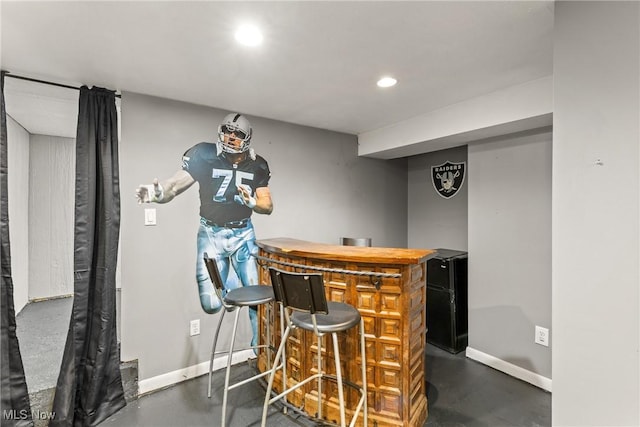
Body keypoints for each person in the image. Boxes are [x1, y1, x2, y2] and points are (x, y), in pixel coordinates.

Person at [136, 113, 273, 347]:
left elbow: (267, 205)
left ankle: (260, 349)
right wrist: (160, 194)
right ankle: (229, 281)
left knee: (257, 299)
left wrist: (252, 203)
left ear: (247, 138)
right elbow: (174, 184)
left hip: (243, 234)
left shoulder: (258, 164)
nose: (230, 137)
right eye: (227, 131)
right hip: (211, 234)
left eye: (237, 133)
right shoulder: (203, 154)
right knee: (211, 305)